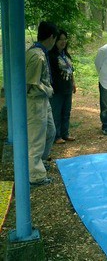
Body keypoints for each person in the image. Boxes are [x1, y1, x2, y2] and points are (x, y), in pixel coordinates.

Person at [26, 21, 58, 186]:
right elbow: (31, 82)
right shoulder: (37, 56)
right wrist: (48, 89)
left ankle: (38, 162)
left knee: (50, 131)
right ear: (52, 37)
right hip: (35, 101)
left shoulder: (40, 52)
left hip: (43, 100)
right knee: (36, 138)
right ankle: (35, 176)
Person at [49, 30, 76, 144]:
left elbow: (71, 71)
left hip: (67, 88)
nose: (63, 41)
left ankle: (65, 133)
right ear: (55, 40)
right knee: (57, 112)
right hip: (57, 89)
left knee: (66, 112)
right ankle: (56, 136)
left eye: (65, 39)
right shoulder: (51, 56)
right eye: (61, 39)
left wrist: (73, 83)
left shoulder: (66, 55)